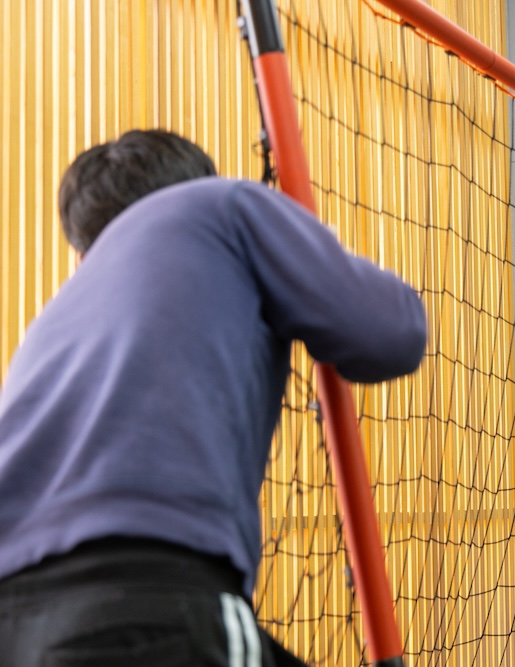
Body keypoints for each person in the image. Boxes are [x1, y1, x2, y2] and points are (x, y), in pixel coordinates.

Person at [0, 129, 427, 666]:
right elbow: (391, 334)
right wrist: (314, 253)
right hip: (146, 594)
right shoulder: (220, 206)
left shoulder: (53, 321)